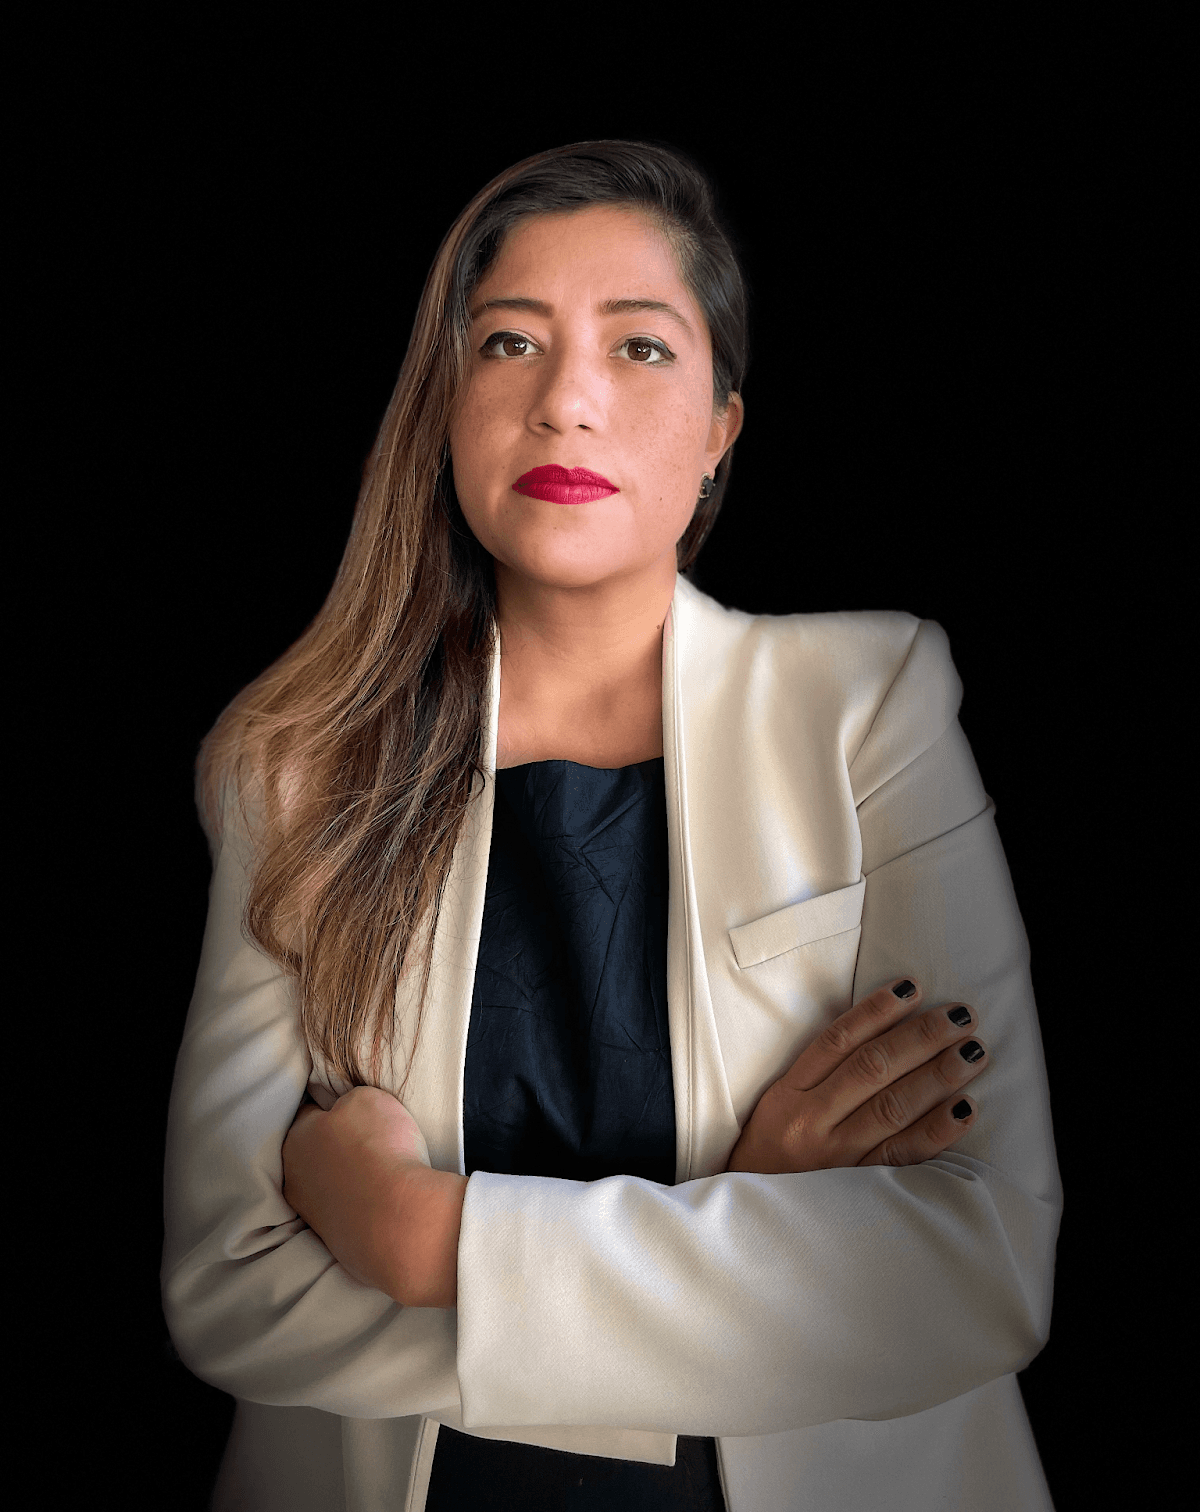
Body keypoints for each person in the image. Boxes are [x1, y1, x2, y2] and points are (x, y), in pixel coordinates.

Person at [162, 139, 1061, 1511]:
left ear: (719, 430)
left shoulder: (867, 703)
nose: (567, 402)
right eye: (509, 342)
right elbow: (230, 1292)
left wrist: (417, 1236)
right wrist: (745, 1223)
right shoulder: (296, 769)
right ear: (447, 404)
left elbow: (981, 1263)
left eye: (639, 348)